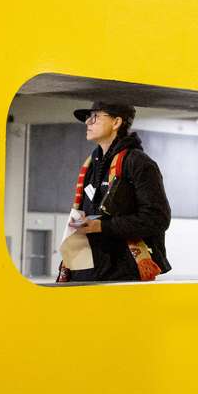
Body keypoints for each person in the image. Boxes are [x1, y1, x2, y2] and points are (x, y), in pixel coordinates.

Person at [58, 101, 172, 283]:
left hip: (123, 273)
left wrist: (102, 226)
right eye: (88, 118)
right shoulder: (90, 166)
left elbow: (157, 219)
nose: (88, 122)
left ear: (116, 122)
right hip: (86, 271)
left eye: (94, 117)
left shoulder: (139, 163)